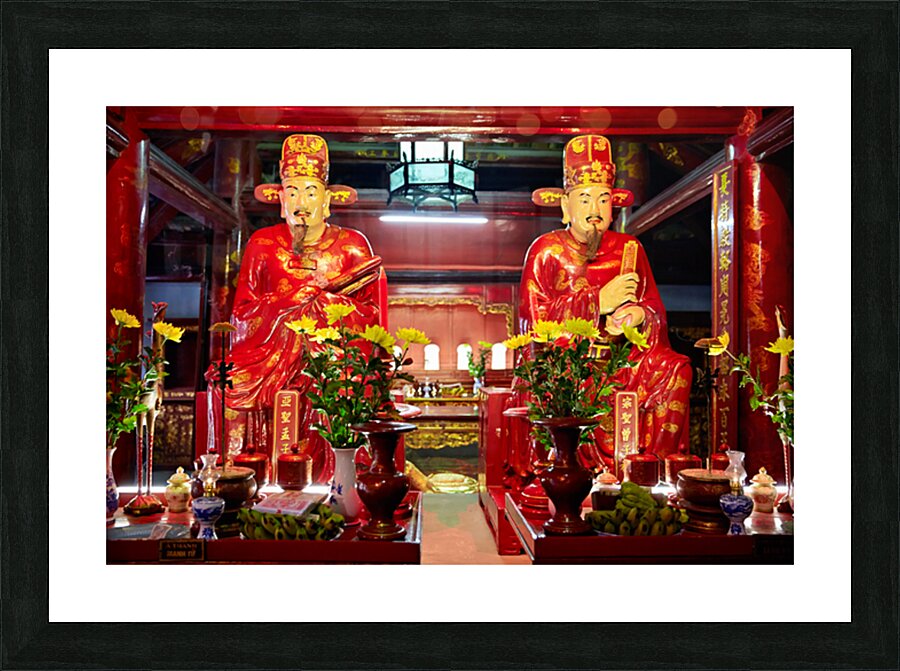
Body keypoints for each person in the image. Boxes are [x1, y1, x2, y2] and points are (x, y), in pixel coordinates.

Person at [206, 133, 383, 481]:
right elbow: (242, 313)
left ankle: (338, 477)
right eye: (292, 192)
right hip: (269, 356)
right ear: (281, 201)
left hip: (331, 353)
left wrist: (324, 306)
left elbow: (371, 318)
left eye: (311, 192)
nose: (301, 202)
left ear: (328, 200)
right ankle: (244, 475)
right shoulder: (263, 244)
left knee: (341, 382)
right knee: (226, 383)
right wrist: (290, 304)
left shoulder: (351, 247)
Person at [519, 134, 692, 471]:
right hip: (572, 356)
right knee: (566, 376)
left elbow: (655, 308)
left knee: (675, 368)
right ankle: (572, 465)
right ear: (566, 207)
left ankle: (649, 467)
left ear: (613, 205)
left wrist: (638, 315)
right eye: (584, 200)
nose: (594, 210)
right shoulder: (546, 250)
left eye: (602, 200)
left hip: (627, 357)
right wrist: (598, 302)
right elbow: (533, 322)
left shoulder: (630, 249)